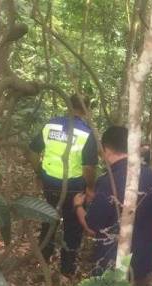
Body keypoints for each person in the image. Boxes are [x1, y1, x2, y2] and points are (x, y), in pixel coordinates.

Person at [74, 126, 152, 286]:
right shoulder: (150, 175)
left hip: (112, 262)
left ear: (106, 150)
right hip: (141, 258)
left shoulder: (107, 182)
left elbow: (93, 228)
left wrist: (78, 206)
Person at [26, 94, 98, 276]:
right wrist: (90, 188)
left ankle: (44, 258)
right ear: (86, 110)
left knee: (48, 218)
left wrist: (39, 172)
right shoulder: (86, 133)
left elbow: (32, 151)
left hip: (50, 183)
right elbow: (88, 167)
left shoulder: (51, 125)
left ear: (68, 107)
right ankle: (67, 267)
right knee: (73, 226)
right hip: (74, 187)